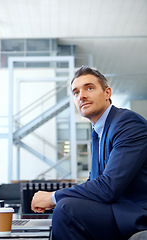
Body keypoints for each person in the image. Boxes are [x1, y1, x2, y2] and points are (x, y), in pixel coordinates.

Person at [31, 66, 147, 240]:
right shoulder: (98, 133)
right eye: (76, 92)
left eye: (89, 88)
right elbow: (94, 182)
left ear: (107, 93)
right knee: (63, 208)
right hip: (117, 208)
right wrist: (56, 198)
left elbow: (108, 187)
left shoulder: (127, 123)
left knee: (66, 210)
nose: (82, 96)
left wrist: (53, 197)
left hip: (135, 213)